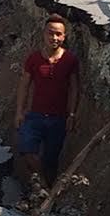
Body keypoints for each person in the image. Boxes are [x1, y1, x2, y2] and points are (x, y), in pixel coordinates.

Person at [14, 13, 80, 189]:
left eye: (58, 34)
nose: (54, 38)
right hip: (34, 116)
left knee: (51, 159)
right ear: (44, 34)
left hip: (58, 119)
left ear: (64, 37)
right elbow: (24, 85)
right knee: (28, 151)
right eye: (51, 33)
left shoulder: (70, 60)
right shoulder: (34, 59)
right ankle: (42, 185)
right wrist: (19, 111)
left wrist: (71, 114)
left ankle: (48, 196)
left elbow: (74, 88)